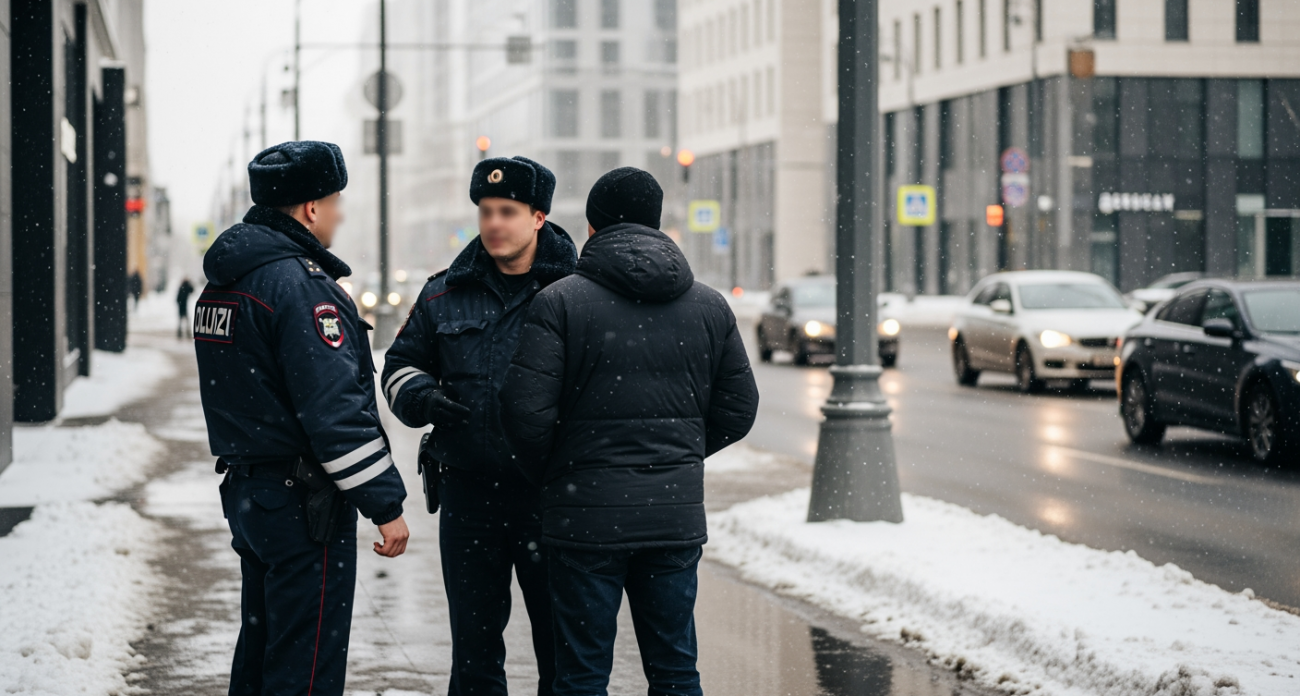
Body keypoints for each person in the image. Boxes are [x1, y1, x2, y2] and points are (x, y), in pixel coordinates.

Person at [499, 167, 760, 695]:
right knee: (675, 670)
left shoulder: (561, 302)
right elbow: (738, 409)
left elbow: (524, 413)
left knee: (582, 674)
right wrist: (678, 456)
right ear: (657, 223)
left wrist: (564, 469)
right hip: (671, 517)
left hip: (584, 518)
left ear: (591, 227)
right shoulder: (708, 305)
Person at [193, 140, 409, 696]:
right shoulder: (301, 288)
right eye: (335, 201)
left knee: (262, 648)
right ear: (312, 208)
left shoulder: (225, 282)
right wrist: (385, 505)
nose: (340, 213)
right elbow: (335, 412)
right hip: (302, 506)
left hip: (251, 493)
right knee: (305, 665)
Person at [381, 156, 576, 695]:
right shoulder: (444, 293)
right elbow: (398, 368)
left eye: (507, 212)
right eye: (486, 211)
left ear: (538, 217)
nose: (493, 223)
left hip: (552, 499)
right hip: (469, 498)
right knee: (474, 653)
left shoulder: (575, 292)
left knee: (562, 652)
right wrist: (422, 396)